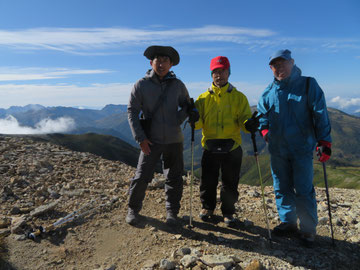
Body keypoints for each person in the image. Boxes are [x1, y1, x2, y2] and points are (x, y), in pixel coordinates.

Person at [257, 49, 332, 247]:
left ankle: (308, 229)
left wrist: (324, 142)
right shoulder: (268, 92)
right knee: (281, 186)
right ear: (271, 68)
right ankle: (288, 222)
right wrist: (264, 132)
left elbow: (320, 113)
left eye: (283, 63)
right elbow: (262, 117)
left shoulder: (308, 84)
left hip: (302, 148)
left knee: (304, 189)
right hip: (278, 149)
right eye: (275, 65)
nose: (279, 67)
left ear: (292, 62)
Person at [127, 45, 193, 226]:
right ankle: (133, 209)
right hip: (151, 139)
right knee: (142, 176)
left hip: (174, 139)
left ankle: (172, 212)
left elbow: (187, 105)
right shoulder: (141, 85)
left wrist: (179, 119)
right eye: (158, 60)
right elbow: (132, 112)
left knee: (174, 177)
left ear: (171, 64)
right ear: (151, 62)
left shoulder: (178, 85)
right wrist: (140, 138)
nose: (162, 64)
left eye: (166, 61)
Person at [194, 56, 253, 227]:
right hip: (210, 145)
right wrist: (193, 118)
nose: (219, 75)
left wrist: (249, 124)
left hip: (232, 145)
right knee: (208, 180)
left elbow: (245, 121)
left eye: (222, 71)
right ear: (211, 75)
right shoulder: (203, 98)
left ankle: (228, 211)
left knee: (230, 182)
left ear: (229, 73)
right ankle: (207, 207)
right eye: (215, 72)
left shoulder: (239, 97)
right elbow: (198, 125)